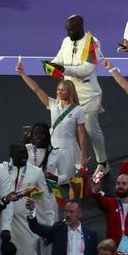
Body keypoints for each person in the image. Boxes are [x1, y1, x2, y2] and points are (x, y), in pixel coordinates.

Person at [49, 15, 107, 172]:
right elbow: (58, 59)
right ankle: (74, 163)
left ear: (81, 27)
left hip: (88, 95)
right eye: (67, 30)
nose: (69, 33)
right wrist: (51, 65)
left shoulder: (92, 42)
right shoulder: (66, 41)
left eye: (72, 30)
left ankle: (102, 163)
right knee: (67, 130)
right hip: (68, 95)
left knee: (91, 130)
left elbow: (87, 69)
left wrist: (65, 70)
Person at [91, 174, 128, 255]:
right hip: (114, 254)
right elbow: (100, 201)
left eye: (124, 183)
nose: (120, 186)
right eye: (118, 183)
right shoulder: (110, 204)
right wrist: (96, 190)